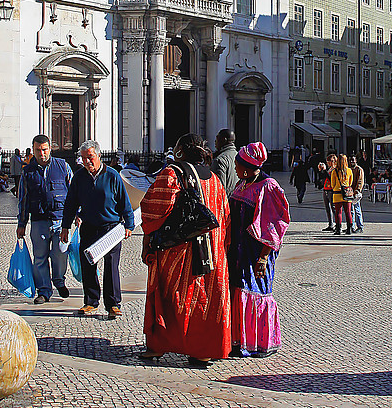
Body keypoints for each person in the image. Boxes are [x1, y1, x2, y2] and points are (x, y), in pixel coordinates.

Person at [140, 134, 231, 365]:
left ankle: (159, 345)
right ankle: (203, 349)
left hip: (179, 251)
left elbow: (153, 208)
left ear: (180, 151)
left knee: (172, 296)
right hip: (212, 251)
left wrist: (147, 240)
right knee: (206, 300)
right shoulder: (214, 179)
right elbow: (225, 216)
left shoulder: (173, 173)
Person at [228, 142, 290, 357]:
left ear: (245, 167)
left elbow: (274, 225)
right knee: (237, 288)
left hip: (255, 252)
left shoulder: (268, 187)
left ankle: (258, 342)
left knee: (255, 290)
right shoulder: (242, 183)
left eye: (236, 164)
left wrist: (263, 258)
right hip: (237, 250)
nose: (234, 168)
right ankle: (238, 340)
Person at [61, 140, 134, 319]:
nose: (87, 162)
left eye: (90, 158)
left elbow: (125, 202)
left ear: (99, 156)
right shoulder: (79, 177)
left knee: (111, 266)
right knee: (88, 265)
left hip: (111, 228)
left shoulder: (112, 175)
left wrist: (129, 224)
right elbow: (70, 204)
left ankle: (113, 304)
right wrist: (65, 226)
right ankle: (91, 301)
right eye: (84, 158)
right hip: (89, 227)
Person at [17, 134, 72, 305]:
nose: (42, 153)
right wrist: (21, 223)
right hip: (38, 220)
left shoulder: (62, 166)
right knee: (39, 257)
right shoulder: (28, 171)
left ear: (50, 149)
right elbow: (23, 199)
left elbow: (73, 192)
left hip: (60, 220)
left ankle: (59, 280)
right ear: (33, 150)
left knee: (60, 253)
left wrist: (76, 215)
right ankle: (44, 290)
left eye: (44, 150)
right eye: (38, 150)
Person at [331, 154, 354, 235]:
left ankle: (338, 229)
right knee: (348, 212)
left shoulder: (334, 171)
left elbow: (332, 183)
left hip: (337, 194)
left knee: (338, 212)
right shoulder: (349, 171)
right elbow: (350, 182)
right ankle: (349, 229)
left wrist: (336, 188)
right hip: (347, 194)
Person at [211, 129, 238, 196]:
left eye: (217, 138)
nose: (215, 141)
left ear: (224, 140)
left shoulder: (220, 160)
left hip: (226, 203)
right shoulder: (239, 157)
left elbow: (218, 190)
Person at [348, 155, 365, 233]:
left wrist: (357, 191)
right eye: (350, 160)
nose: (352, 162)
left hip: (356, 192)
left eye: (353, 160)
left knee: (357, 209)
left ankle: (360, 226)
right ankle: (352, 226)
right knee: (351, 210)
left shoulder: (359, 170)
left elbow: (360, 181)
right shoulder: (349, 169)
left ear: (356, 161)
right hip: (350, 192)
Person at [321, 153, 337, 231]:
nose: (327, 163)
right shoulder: (329, 169)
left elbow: (331, 178)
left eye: (328, 161)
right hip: (326, 189)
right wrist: (322, 171)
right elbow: (325, 177)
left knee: (333, 208)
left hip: (331, 190)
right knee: (327, 208)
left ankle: (337, 224)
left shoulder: (335, 169)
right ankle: (330, 224)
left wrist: (324, 171)